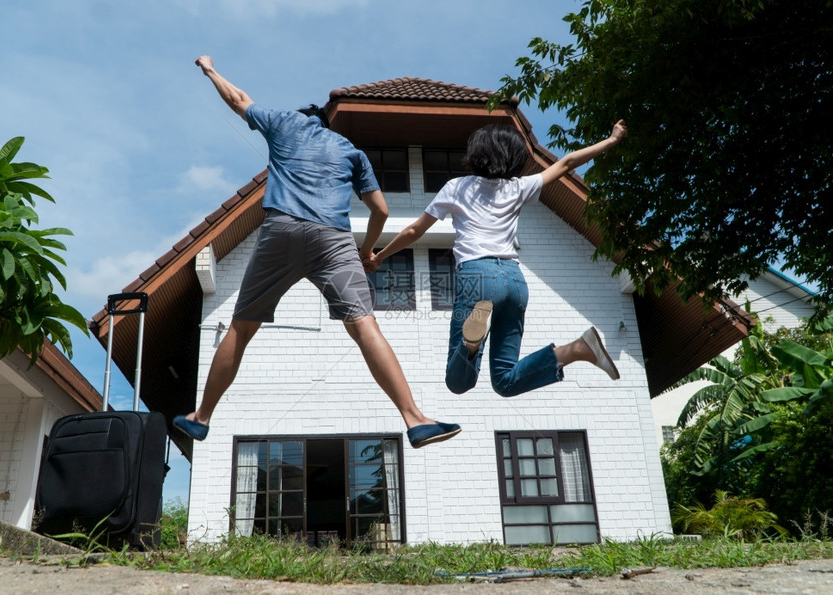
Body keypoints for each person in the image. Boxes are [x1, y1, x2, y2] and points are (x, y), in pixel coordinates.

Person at [173, 56, 460, 449]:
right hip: (335, 238)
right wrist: (366, 251)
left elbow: (238, 99)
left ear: (301, 118)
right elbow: (381, 210)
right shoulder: (350, 150)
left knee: (241, 327)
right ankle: (415, 419)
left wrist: (209, 70)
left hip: (283, 229)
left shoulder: (284, 122)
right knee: (364, 326)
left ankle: (201, 418)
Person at [364, 121, 627, 397]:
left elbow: (414, 230)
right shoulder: (518, 187)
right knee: (505, 381)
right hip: (514, 281)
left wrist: (380, 257)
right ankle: (577, 349)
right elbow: (566, 163)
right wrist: (611, 141)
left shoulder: (456, 187)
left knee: (458, 383)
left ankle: (470, 344)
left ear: (477, 152)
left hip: (478, 276)